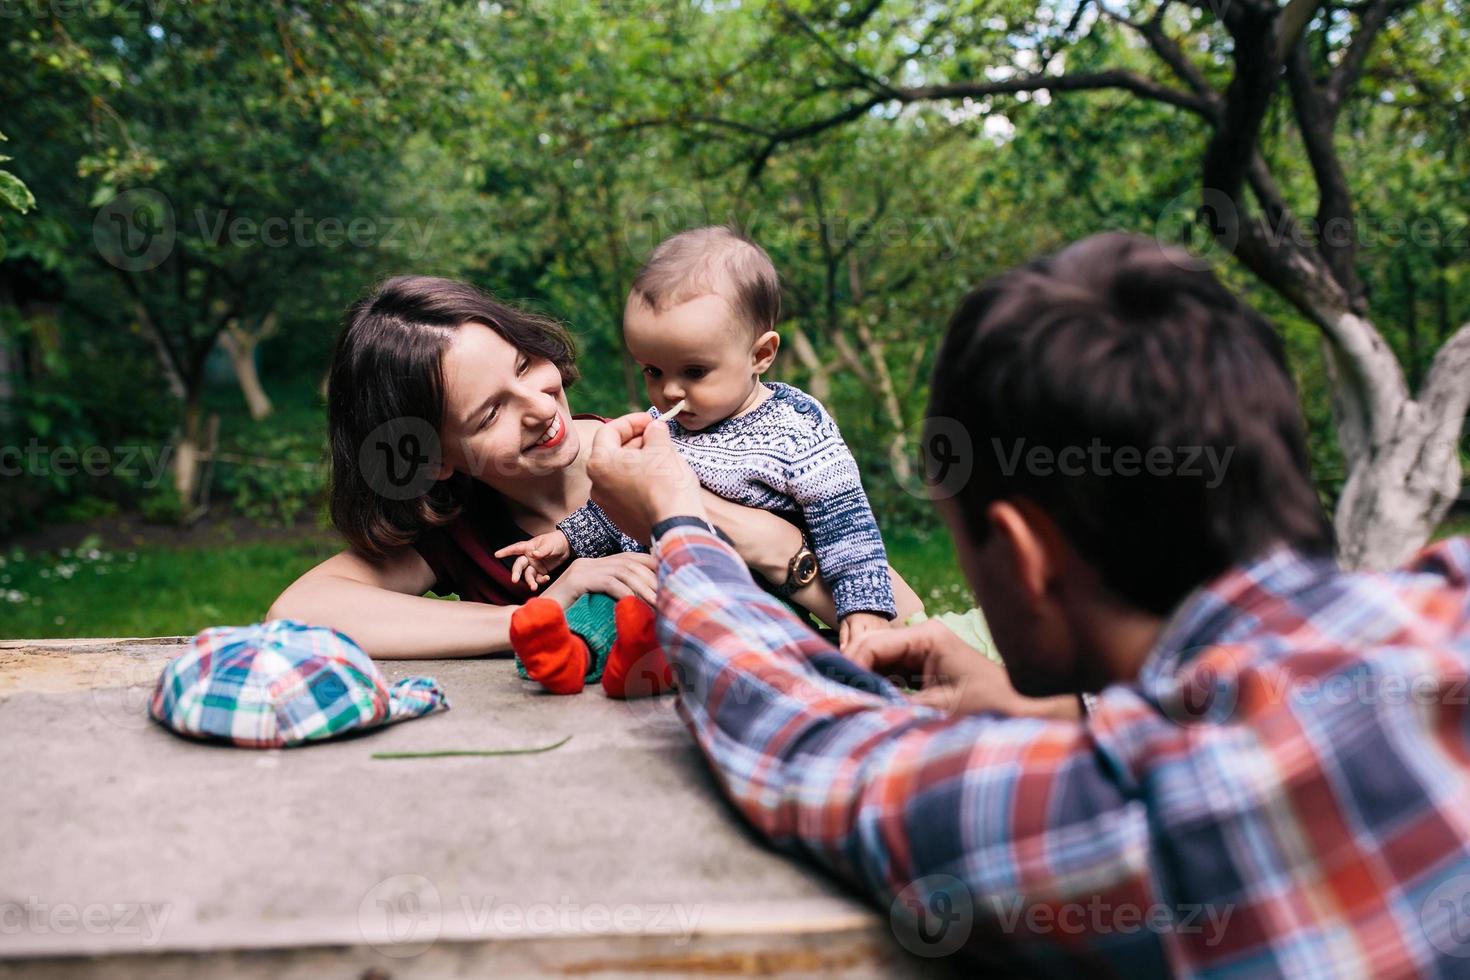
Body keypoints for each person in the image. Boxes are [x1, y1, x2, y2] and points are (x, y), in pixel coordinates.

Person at [586, 232, 1470, 973]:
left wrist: (678, 519)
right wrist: (1063, 705)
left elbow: (807, 742)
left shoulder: (1128, 819)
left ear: (1021, 556)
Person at [267, 274, 906, 659]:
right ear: (432, 461)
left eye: (523, 367)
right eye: (488, 414)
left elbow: (905, 614)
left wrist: (699, 512)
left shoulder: (691, 442)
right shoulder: (463, 531)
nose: (540, 406)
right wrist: (541, 612)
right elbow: (298, 612)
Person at [498, 226, 898, 654]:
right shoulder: (659, 426)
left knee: (733, 630)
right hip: (656, 578)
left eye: (694, 372)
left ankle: (642, 655)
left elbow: (847, 526)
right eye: (653, 371)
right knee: (601, 606)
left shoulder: (795, 427)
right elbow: (616, 508)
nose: (670, 391)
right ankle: (569, 655)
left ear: (760, 355)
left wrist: (864, 610)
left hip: (746, 589)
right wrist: (565, 540)